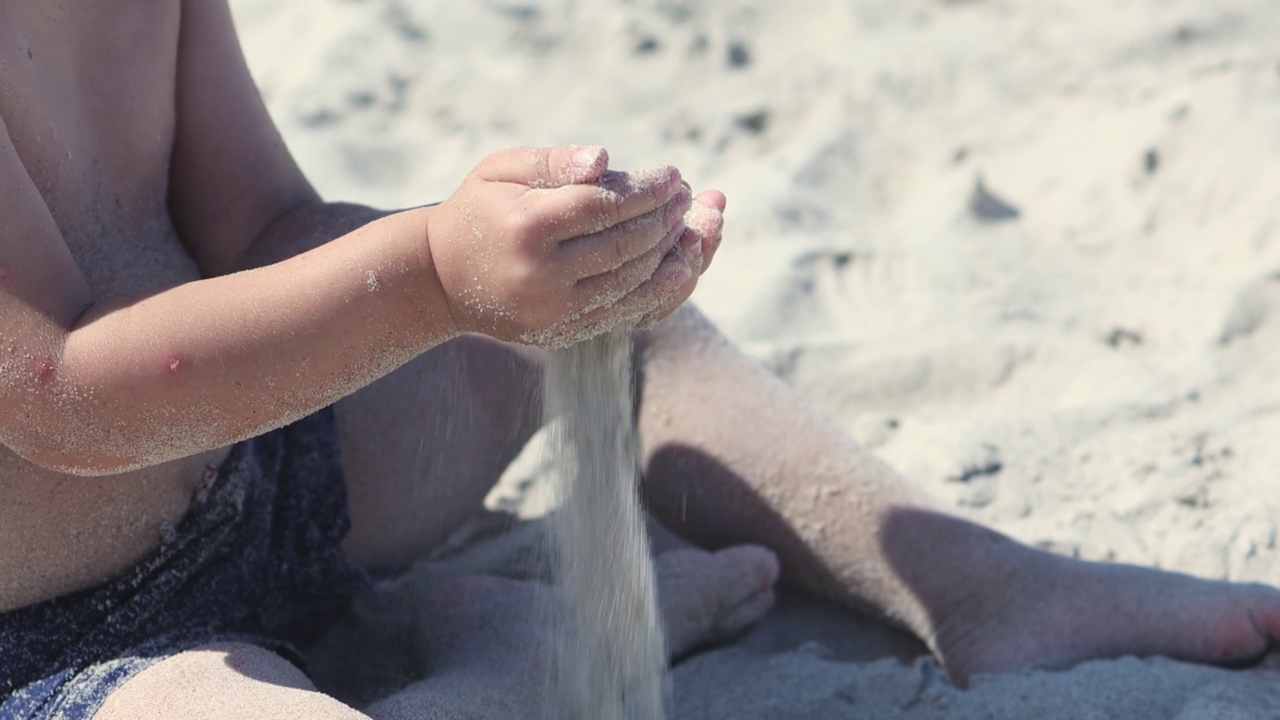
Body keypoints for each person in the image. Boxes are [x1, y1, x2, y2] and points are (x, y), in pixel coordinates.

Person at [0, 2, 1276, 718]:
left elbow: (265, 231)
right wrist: (435, 276)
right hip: (58, 645)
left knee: (609, 317)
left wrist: (530, 272)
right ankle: (508, 672)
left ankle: (975, 582)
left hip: (266, 468)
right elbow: (60, 401)